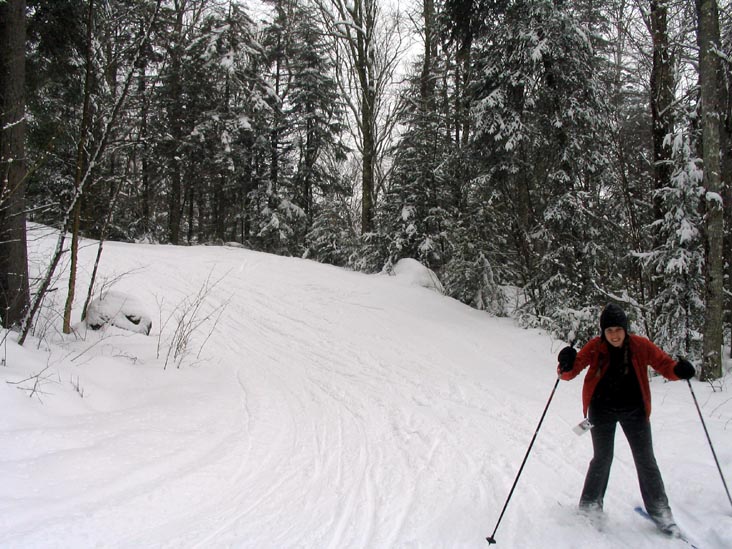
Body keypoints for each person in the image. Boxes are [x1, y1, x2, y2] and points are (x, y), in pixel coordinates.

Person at [556, 303, 695, 536]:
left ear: (625, 329)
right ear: (603, 332)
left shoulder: (640, 345)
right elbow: (569, 373)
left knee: (646, 460)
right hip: (601, 410)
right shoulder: (595, 347)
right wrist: (566, 363)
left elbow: (664, 364)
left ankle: (660, 510)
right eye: (609, 330)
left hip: (635, 411)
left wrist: (679, 370)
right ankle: (590, 506)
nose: (614, 335)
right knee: (602, 458)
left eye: (618, 329)